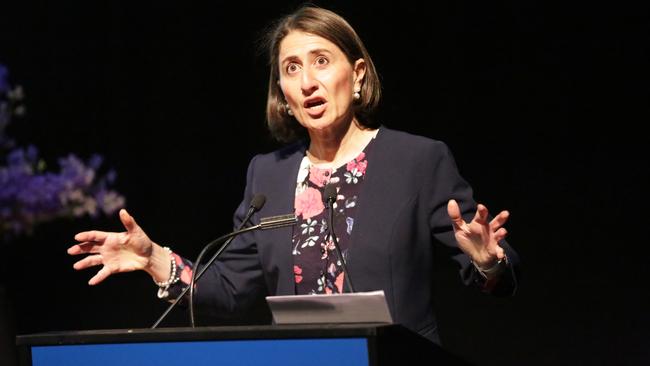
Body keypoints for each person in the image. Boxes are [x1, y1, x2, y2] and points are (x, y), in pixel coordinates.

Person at [67, 5, 519, 344]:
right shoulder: (269, 175)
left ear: (358, 75)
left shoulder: (418, 160)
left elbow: (496, 276)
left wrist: (487, 259)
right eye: (292, 68)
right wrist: (152, 259)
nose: (307, 82)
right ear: (283, 94)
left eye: (321, 60)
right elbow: (228, 288)